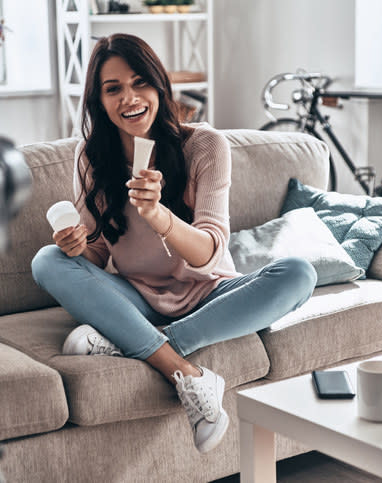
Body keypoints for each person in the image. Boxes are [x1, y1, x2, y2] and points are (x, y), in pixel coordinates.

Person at [31, 33, 316, 453]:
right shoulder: (90, 156)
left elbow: (210, 253)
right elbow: (97, 253)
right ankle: (186, 372)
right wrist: (76, 247)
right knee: (47, 260)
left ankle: (136, 342)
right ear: (99, 101)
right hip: (135, 296)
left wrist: (159, 216)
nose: (129, 98)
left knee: (298, 274)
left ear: (159, 86)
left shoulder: (205, 145)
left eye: (140, 82)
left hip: (210, 291)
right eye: (113, 89)